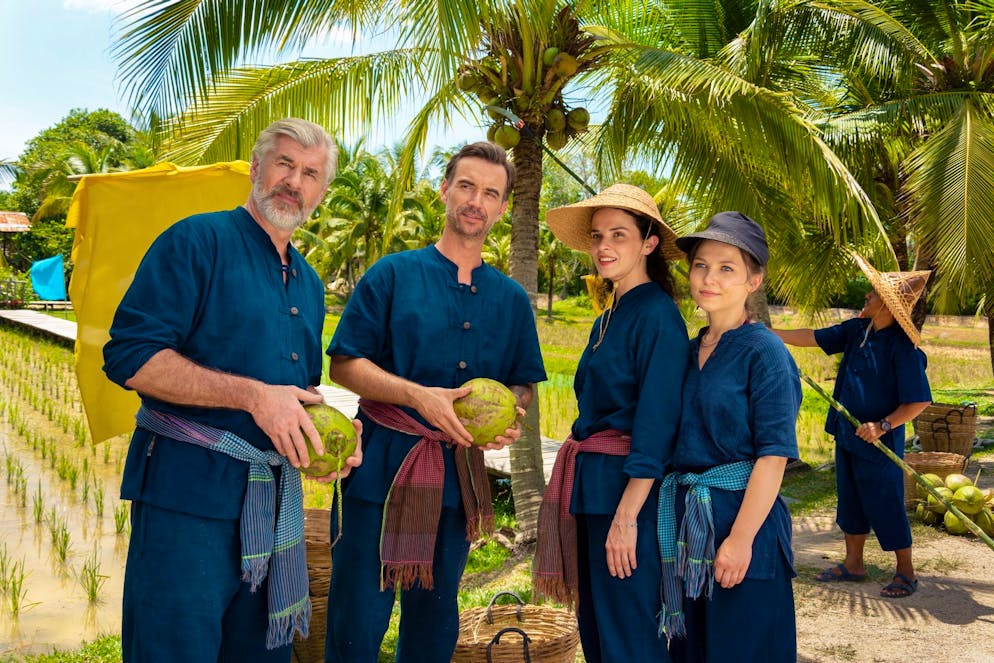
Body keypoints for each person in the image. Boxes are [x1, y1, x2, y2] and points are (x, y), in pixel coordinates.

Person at [103, 118, 362, 662]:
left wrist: (329, 440)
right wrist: (252, 396)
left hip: (270, 508)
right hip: (186, 499)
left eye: (311, 173)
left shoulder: (310, 284)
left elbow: (294, 393)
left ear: (321, 191)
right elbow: (130, 357)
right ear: (256, 168)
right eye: (285, 164)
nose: (295, 182)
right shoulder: (196, 241)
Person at [323, 141, 547, 662]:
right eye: (466, 186)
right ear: (445, 190)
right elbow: (343, 363)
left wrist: (508, 412)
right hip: (380, 470)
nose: (476, 200)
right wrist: (416, 397)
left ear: (502, 207)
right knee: (356, 618)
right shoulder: (393, 274)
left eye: (490, 193)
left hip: (457, 483)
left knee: (433, 624)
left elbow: (523, 384)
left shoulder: (511, 300)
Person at [534, 184, 689, 662]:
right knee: (597, 628)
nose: (604, 246)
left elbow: (657, 425)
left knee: (629, 632)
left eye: (619, 235)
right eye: (598, 235)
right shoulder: (607, 318)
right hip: (592, 486)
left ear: (648, 243)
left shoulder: (658, 316)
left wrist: (626, 519)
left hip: (628, 494)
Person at [659, 212, 801, 662]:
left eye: (727, 268)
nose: (709, 277)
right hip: (686, 527)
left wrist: (740, 539)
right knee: (693, 651)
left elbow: (773, 456)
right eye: (701, 264)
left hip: (743, 525)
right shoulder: (683, 351)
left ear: (753, 281)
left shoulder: (766, 352)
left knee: (742, 649)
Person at [772, 254, 932, 599]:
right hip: (847, 435)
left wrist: (883, 425)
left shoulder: (902, 348)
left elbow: (918, 401)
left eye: (873, 294)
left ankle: (906, 571)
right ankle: (854, 564)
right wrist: (770, 333)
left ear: (887, 306)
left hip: (879, 443)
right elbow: (813, 336)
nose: (867, 297)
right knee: (851, 499)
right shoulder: (857, 330)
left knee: (886, 500)